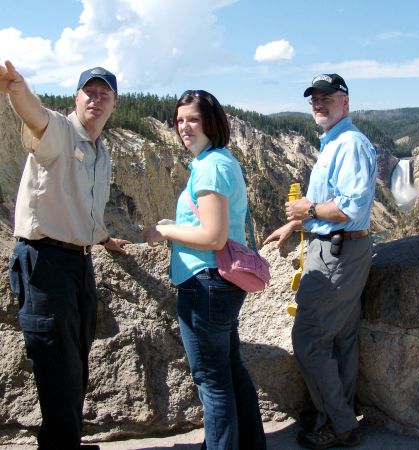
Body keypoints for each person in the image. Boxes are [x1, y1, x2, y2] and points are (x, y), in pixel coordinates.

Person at [0, 60, 130, 450]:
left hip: (78, 261)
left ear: (114, 105)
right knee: (58, 366)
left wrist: (104, 238)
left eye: (104, 93)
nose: (96, 98)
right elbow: (34, 115)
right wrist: (16, 88)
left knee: (77, 362)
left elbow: (85, 206)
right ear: (76, 98)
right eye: (89, 91)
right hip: (44, 262)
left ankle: (63, 441)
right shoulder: (58, 131)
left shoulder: (101, 151)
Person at [143, 90, 266, 450]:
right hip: (220, 283)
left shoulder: (211, 166)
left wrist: (163, 231)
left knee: (211, 381)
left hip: (205, 283)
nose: (184, 127)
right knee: (229, 367)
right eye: (179, 120)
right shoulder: (221, 160)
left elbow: (213, 236)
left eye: (192, 119)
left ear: (211, 122)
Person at [264, 74, 376, 449]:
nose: (319, 103)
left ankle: (341, 423)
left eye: (328, 97)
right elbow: (328, 202)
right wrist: (292, 224)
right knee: (340, 340)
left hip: (337, 251)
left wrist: (307, 209)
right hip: (339, 246)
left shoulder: (350, 144)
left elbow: (351, 207)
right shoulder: (333, 143)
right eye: (314, 98)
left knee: (308, 337)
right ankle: (336, 415)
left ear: (345, 101)